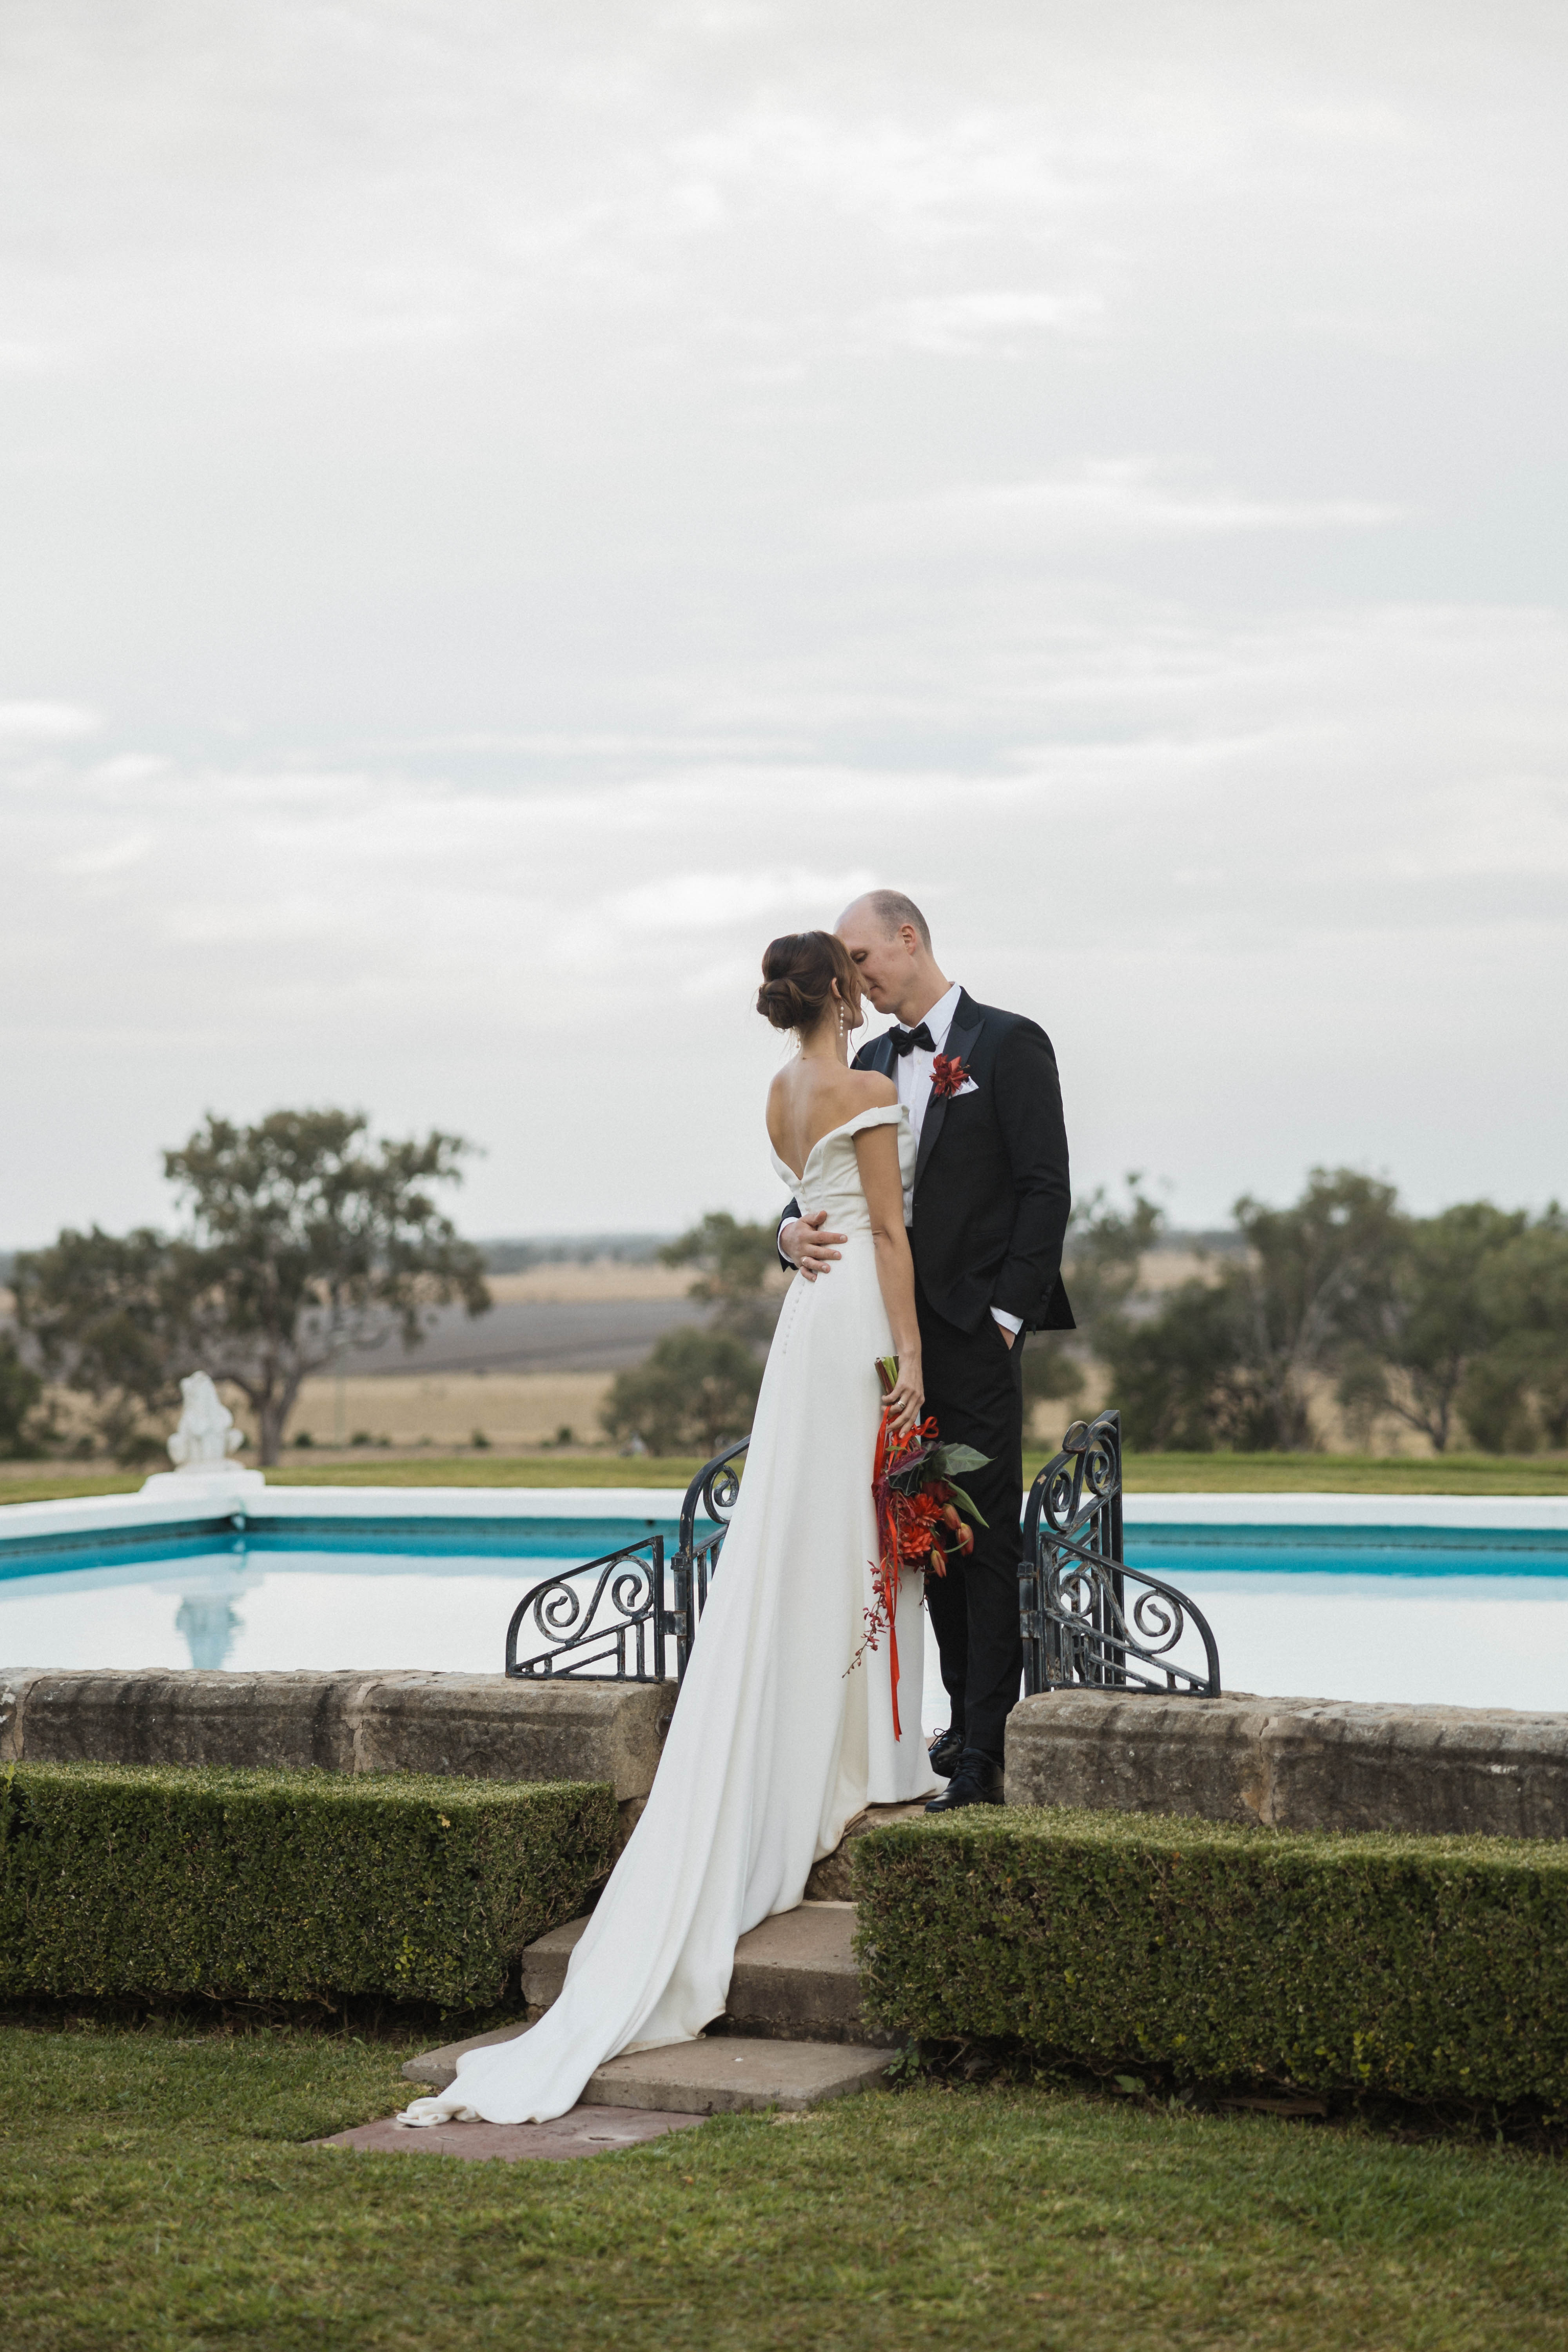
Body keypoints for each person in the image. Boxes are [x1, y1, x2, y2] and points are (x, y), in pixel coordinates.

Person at [400, 928, 936, 2129]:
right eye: (853, 972)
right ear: (840, 989)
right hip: (854, 1314)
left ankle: (853, 1745)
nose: (865, 984)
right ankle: (874, 1757)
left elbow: (805, 1207)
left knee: (813, 1536)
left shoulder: (781, 1092)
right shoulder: (864, 1089)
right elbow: (891, 1233)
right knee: (858, 1531)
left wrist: (794, 1240)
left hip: (804, 1324)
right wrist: (912, 1357)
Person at [777, 890, 1073, 1812]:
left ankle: (983, 1747)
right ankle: (946, 1726)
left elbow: (1045, 1189)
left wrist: (1004, 1320)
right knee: (917, 1538)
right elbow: (820, 1190)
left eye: (861, 956)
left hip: (971, 1337)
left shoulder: (1009, 1043)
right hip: (876, 1343)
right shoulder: (864, 1064)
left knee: (983, 1539)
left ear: (908, 939)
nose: (852, 976)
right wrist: (786, 1235)